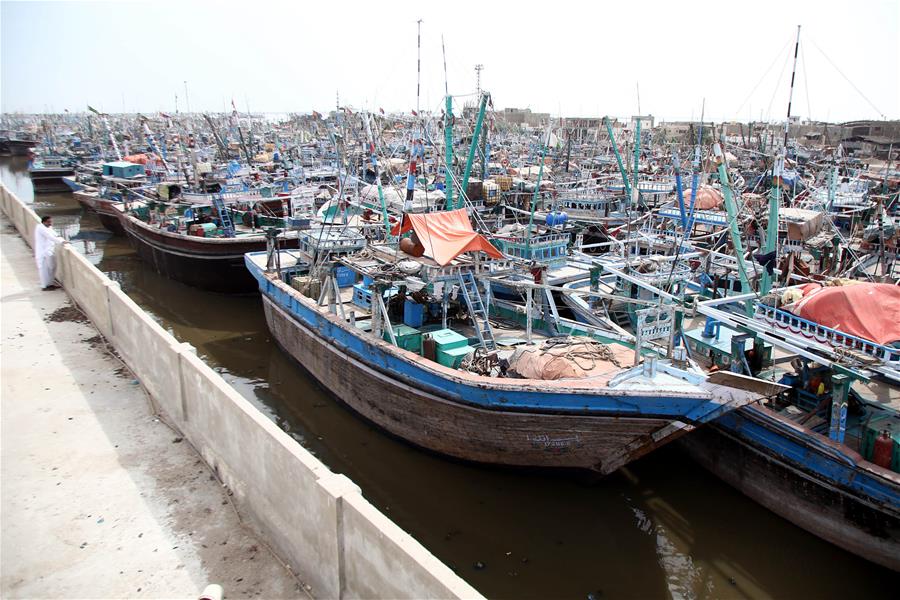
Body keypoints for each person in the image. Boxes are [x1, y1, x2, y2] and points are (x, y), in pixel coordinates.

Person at [34, 215, 67, 290]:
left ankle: (50, 284)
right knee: (44, 270)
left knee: (52, 268)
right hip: (43, 252)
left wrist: (60, 238)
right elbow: (50, 236)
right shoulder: (40, 228)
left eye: (51, 222)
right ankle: (45, 286)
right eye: (48, 222)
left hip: (49, 251)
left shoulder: (48, 227)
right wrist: (62, 241)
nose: (50, 223)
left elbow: (55, 235)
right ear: (44, 222)